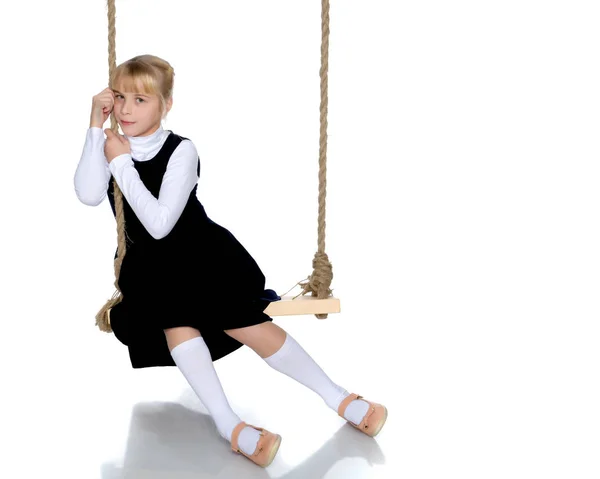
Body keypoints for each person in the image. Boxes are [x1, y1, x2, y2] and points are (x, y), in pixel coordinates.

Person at [74, 54, 387, 468]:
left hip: (199, 255)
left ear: (166, 105)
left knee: (246, 322)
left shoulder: (180, 150)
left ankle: (338, 397)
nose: (127, 109)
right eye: (120, 98)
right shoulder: (113, 143)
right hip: (151, 267)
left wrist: (119, 161)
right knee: (176, 321)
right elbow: (87, 192)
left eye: (141, 100)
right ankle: (230, 426)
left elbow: (161, 222)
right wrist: (95, 126)